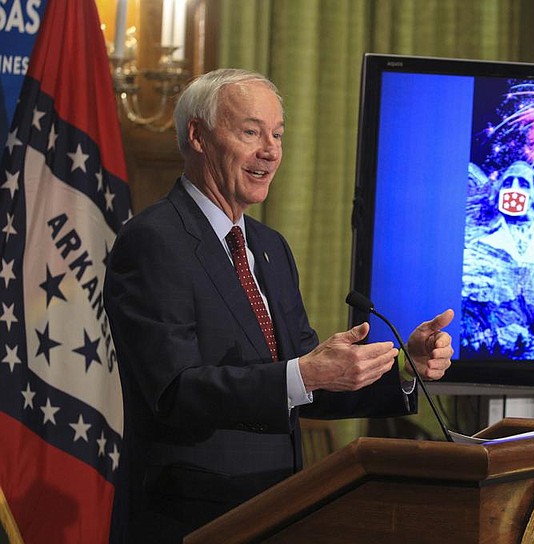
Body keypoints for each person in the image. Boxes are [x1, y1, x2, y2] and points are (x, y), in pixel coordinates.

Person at [103, 68, 454, 542]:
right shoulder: (152, 241)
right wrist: (306, 373)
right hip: (191, 521)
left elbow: (305, 378)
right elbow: (174, 391)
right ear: (198, 136)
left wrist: (402, 367)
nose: (270, 150)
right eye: (251, 132)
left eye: (278, 134)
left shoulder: (269, 248)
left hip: (279, 512)